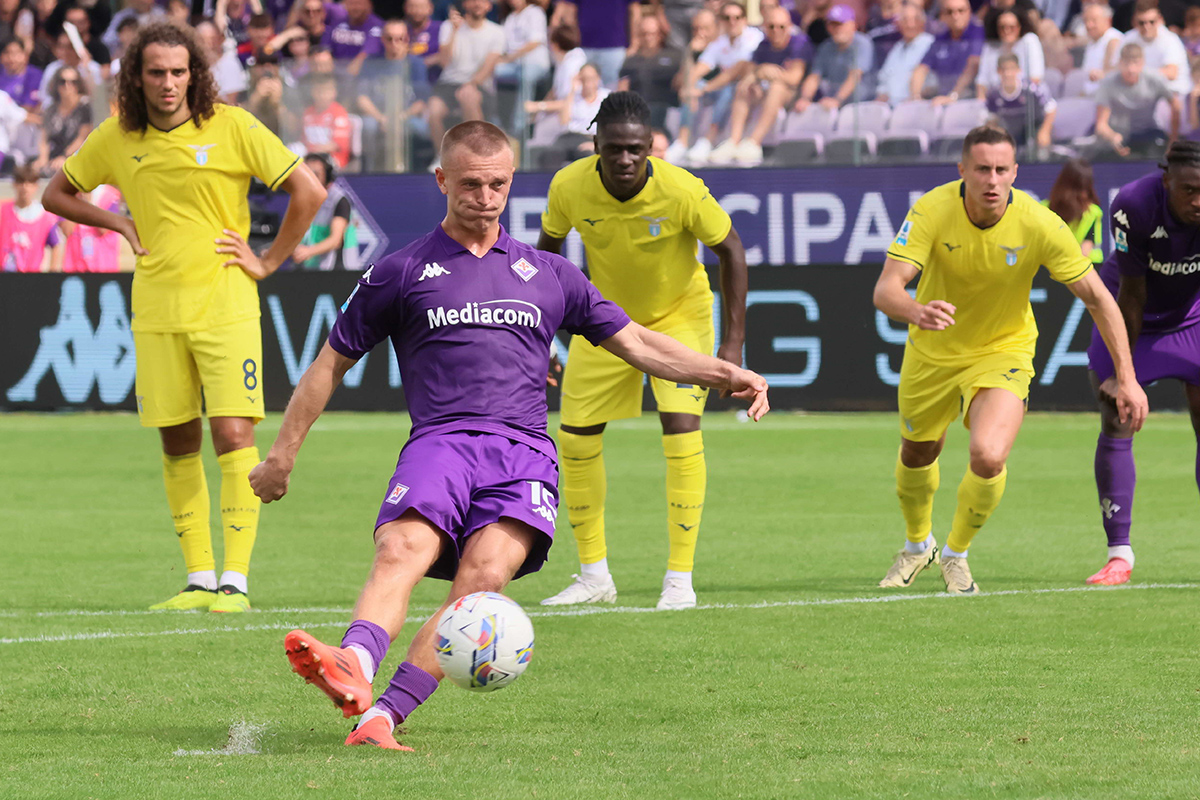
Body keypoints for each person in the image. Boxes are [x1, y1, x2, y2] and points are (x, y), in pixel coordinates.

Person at [249, 120, 768, 751]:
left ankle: (383, 715)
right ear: (442, 180)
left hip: (522, 454)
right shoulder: (400, 270)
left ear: (511, 183)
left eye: (497, 184)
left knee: (484, 579)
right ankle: (353, 664)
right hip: (439, 442)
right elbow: (329, 363)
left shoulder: (549, 274)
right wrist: (282, 455)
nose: (485, 197)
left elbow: (637, 343)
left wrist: (723, 370)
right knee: (402, 549)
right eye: (470, 184)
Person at [41, 20, 326, 611]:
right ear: (136, 77)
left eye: (178, 72)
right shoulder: (118, 137)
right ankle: (197, 579)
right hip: (155, 310)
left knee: (232, 434)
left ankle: (236, 582)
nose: (168, 83)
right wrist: (118, 221)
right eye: (156, 72)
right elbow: (57, 193)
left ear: (194, 74)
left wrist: (270, 260)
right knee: (177, 441)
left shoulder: (232, 125)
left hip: (225, 305)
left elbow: (310, 190)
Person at [873, 124, 1147, 595]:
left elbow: (1101, 299)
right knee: (919, 451)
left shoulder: (1038, 222)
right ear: (963, 170)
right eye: (982, 169)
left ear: (1015, 172)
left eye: (1002, 170)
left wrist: (1128, 378)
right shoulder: (932, 210)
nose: (992, 180)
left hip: (1004, 350)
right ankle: (918, 545)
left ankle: (956, 554)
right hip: (932, 354)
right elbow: (885, 290)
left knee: (989, 453)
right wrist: (917, 310)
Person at [537, 92, 748, 610]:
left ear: (651, 146)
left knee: (680, 427)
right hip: (605, 321)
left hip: (680, 317)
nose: (626, 159)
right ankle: (594, 577)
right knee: (575, 437)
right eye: (614, 149)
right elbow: (543, 258)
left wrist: (732, 344)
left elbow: (732, 251)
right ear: (596, 146)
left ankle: (679, 579)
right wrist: (538, 338)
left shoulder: (682, 190)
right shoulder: (569, 185)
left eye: (636, 149)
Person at [1083, 141, 1200, 586]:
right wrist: (1123, 374)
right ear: (1166, 179)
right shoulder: (1133, 205)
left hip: (1194, 315)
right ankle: (1119, 556)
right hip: (1131, 314)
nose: (1197, 201)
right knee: (1117, 412)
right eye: (1188, 190)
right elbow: (1132, 295)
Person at [708, 4, 810, 166]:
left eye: (781, 26)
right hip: (766, 93)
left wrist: (770, 71)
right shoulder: (763, 44)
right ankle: (733, 141)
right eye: (771, 26)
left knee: (777, 86)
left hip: (796, 96)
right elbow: (752, 70)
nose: (776, 30)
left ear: (789, 27)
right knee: (745, 86)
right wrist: (757, 73)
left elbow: (794, 78)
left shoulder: (799, 42)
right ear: (765, 27)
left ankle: (753, 142)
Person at [1094, 43, 1180, 159]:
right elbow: (1101, 125)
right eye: (1126, 63)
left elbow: (1175, 104)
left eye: (1136, 63)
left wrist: (1173, 139)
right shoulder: (1108, 83)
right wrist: (1112, 136)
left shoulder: (1155, 79)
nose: (1131, 69)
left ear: (1143, 63)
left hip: (1148, 132)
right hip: (1118, 134)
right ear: (1120, 63)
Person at [793, 4, 872, 113]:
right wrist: (805, 99)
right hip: (832, 106)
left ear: (853, 25)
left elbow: (855, 76)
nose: (837, 29)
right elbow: (814, 77)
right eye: (832, 24)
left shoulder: (862, 43)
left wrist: (837, 100)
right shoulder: (826, 47)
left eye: (840, 24)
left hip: (861, 107)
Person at [909, 0, 983, 104]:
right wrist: (915, 97)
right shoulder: (941, 38)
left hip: (968, 100)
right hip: (941, 98)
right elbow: (921, 69)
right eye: (950, 12)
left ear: (969, 12)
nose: (955, 16)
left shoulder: (977, 32)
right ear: (942, 15)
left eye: (960, 11)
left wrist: (954, 95)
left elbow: (973, 66)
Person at [293, 152, 358, 270]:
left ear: (328, 176)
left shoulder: (339, 200)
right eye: (306, 173)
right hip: (313, 269)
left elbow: (335, 240)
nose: (310, 178)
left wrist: (308, 251)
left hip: (337, 271)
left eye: (316, 174)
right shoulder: (304, 199)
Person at [984, 53, 1056, 153]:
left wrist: (1045, 131)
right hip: (1009, 134)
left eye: (1011, 69)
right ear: (998, 71)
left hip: (1033, 132)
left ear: (1019, 70)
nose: (1007, 73)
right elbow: (992, 119)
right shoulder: (993, 93)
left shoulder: (1032, 90)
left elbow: (1051, 109)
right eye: (1003, 69)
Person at [1, 163, 62, 272]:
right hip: (5, 277)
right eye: (21, 182)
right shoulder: (3, 210)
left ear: (36, 186)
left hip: (31, 277)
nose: (25, 187)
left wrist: (52, 274)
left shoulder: (45, 216)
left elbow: (55, 244)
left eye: (30, 182)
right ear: (14, 184)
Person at [33, 66, 92, 177]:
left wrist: (64, 157)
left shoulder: (86, 107)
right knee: (32, 172)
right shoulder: (50, 109)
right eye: (62, 81)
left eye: (73, 82)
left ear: (78, 85)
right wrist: (42, 159)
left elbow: (82, 138)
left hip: (78, 157)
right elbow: (44, 139)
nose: (67, 85)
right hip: (54, 158)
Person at [1042, 158, 1103, 265]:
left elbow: (1086, 250)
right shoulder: (1042, 209)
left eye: (1085, 188)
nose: (1083, 194)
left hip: (1085, 268)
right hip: (1053, 270)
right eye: (1080, 188)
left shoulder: (1093, 212)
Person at [1122, 0, 1190, 96]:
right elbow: (1118, 66)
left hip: (1171, 93)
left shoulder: (1170, 39)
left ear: (1159, 19)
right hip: (1141, 94)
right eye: (1142, 23)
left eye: (1151, 22)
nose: (1147, 26)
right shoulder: (1128, 38)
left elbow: (1171, 73)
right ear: (1134, 21)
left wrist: (1139, 72)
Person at [976, 6, 1044, 94]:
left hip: (1025, 100)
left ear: (1019, 27)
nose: (1007, 31)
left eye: (1012, 27)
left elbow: (1036, 78)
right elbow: (982, 82)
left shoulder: (1029, 41)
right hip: (996, 102)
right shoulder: (990, 47)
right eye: (1002, 27)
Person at [874, 2, 933, 104]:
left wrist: (916, 96)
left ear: (922, 22)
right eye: (905, 20)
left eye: (915, 19)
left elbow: (934, 84)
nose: (910, 25)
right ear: (899, 23)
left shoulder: (931, 44)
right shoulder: (897, 47)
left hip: (919, 106)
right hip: (891, 109)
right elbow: (883, 78)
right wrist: (882, 95)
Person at [61, 183, 124, 272]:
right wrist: (79, 203)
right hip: (76, 268)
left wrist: (89, 204)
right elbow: (67, 230)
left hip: (103, 268)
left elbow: (104, 229)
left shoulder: (111, 196)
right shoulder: (68, 195)